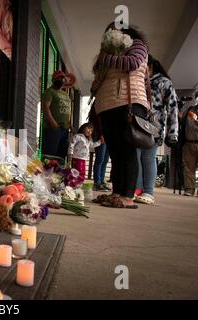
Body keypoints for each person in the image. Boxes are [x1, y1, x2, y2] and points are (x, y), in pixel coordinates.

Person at [90, 23, 150, 209]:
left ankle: (128, 196)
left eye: (114, 30)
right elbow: (98, 76)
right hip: (107, 105)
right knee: (115, 152)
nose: (110, 34)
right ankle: (117, 192)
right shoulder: (106, 52)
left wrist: (107, 57)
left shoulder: (138, 44)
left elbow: (132, 63)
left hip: (129, 103)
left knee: (127, 151)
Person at [134, 55, 179, 204]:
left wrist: (173, 133)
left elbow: (173, 108)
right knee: (136, 158)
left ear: (150, 66)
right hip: (136, 125)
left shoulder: (164, 83)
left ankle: (149, 192)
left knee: (148, 158)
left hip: (154, 128)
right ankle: (137, 189)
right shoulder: (138, 81)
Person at [41, 71, 76, 160]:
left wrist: (69, 124)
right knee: (49, 157)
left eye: (63, 79)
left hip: (64, 129)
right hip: (52, 128)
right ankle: (46, 174)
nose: (61, 80)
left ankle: (58, 174)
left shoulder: (65, 94)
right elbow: (45, 108)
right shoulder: (49, 91)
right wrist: (53, 123)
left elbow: (68, 110)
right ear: (53, 80)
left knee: (61, 156)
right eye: (58, 78)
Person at [180, 90, 198, 196]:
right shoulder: (190, 110)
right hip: (189, 142)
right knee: (188, 168)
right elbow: (182, 121)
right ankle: (189, 189)